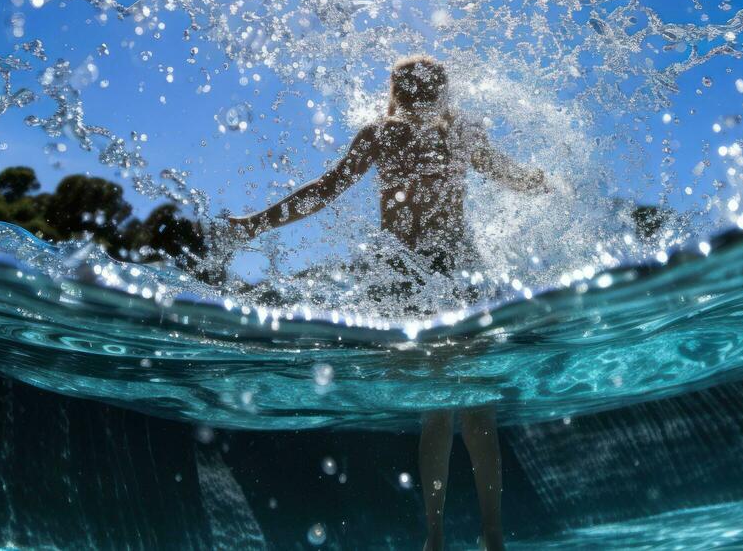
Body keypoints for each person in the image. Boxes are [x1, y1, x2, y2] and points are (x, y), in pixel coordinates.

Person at [228, 55, 548, 551]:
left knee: (441, 412)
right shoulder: (422, 132)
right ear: (440, 92)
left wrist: (255, 224)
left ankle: (444, 533)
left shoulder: (389, 133)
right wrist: (540, 180)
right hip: (440, 275)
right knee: (469, 409)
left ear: (397, 91)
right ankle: (483, 532)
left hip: (416, 278)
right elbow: (509, 175)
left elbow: (324, 191)